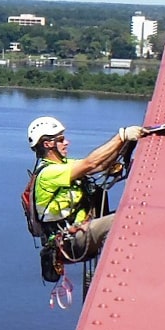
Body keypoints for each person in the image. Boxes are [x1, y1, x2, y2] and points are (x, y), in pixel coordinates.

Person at [25, 116, 147, 279]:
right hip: (70, 240)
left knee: (136, 212)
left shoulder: (63, 165)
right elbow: (90, 164)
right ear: (47, 144)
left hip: (79, 233)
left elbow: (100, 165)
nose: (66, 142)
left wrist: (123, 145)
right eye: (61, 140)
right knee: (123, 219)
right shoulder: (48, 174)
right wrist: (121, 136)